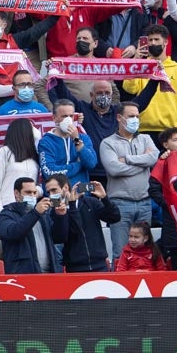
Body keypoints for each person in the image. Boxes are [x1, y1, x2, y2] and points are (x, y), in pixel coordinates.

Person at [100, 102, 160, 264]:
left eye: (137, 116)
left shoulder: (145, 138)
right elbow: (114, 169)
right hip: (120, 204)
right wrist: (143, 164)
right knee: (120, 253)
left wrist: (128, 159)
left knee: (146, 251)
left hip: (144, 202)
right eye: (131, 116)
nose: (135, 119)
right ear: (119, 118)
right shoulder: (108, 143)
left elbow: (154, 158)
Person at [121, 24, 177, 137]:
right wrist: (136, 61)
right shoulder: (142, 67)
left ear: (165, 42)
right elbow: (129, 89)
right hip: (143, 129)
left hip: (171, 131)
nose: (153, 43)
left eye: (156, 39)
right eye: (150, 40)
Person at [47, 174, 120, 273]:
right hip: (74, 268)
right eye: (49, 192)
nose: (51, 195)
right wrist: (67, 210)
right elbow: (61, 237)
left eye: (54, 190)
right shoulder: (54, 212)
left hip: (99, 264)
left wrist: (105, 198)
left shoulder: (90, 202)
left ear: (65, 187)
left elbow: (114, 217)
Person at [0, 177, 62, 274]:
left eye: (34, 192)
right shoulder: (7, 213)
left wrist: (61, 217)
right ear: (16, 193)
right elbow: (12, 233)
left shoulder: (42, 214)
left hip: (50, 273)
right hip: (23, 275)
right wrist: (35, 213)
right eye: (28, 192)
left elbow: (59, 237)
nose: (32, 196)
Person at [39, 99, 98, 189]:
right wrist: (78, 165)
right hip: (57, 196)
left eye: (71, 116)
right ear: (54, 118)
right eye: (64, 116)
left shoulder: (83, 138)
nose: (68, 119)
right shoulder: (46, 142)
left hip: (82, 192)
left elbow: (91, 164)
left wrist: (77, 141)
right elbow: (49, 173)